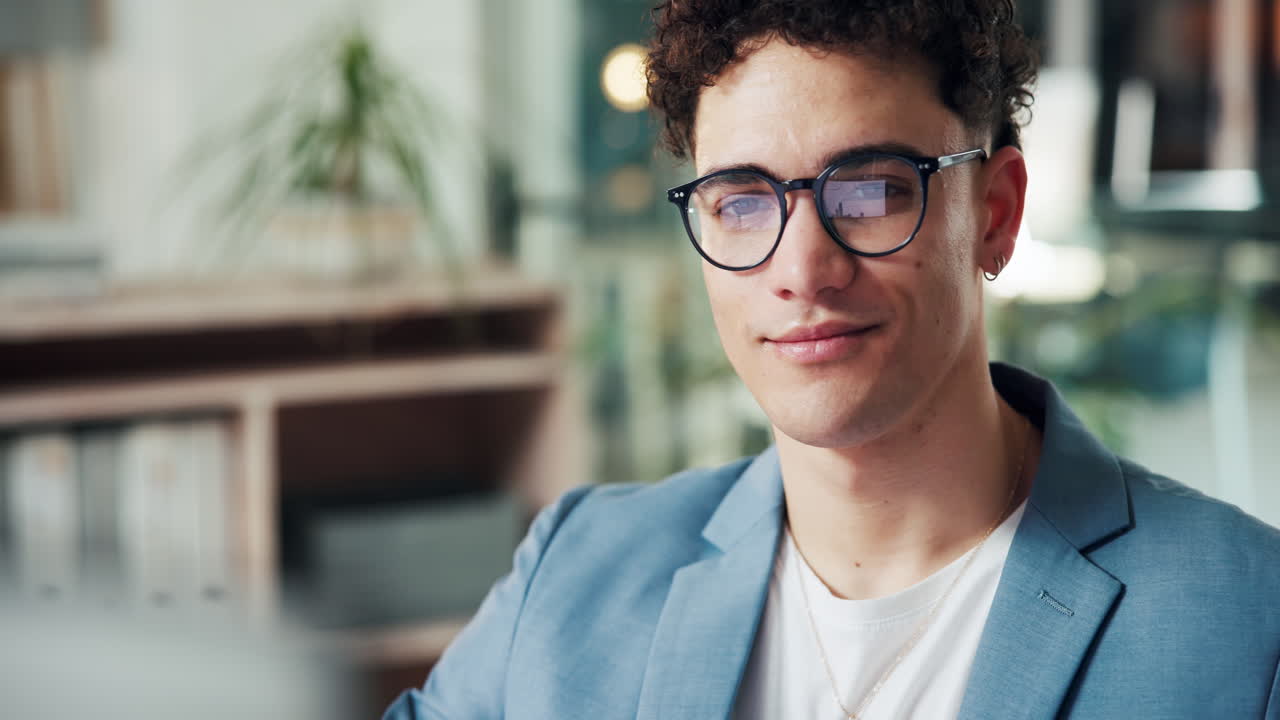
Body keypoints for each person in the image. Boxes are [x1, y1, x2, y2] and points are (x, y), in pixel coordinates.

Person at [384, 1, 1280, 717]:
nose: (802, 268)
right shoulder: (575, 573)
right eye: (740, 203)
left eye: (872, 190)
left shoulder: (1247, 624)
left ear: (997, 215)